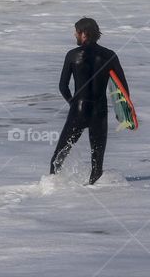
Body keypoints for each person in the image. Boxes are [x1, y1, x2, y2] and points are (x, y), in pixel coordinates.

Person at [49, 17, 131, 184]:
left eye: (76, 32)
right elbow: (123, 88)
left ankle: (52, 187)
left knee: (59, 155)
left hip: (78, 110)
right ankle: (93, 193)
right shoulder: (109, 55)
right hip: (99, 112)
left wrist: (74, 104)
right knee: (97, 162)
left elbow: (63, 87)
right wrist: (122, 112)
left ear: (84, 34)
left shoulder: (72, 55)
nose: (75, 35)